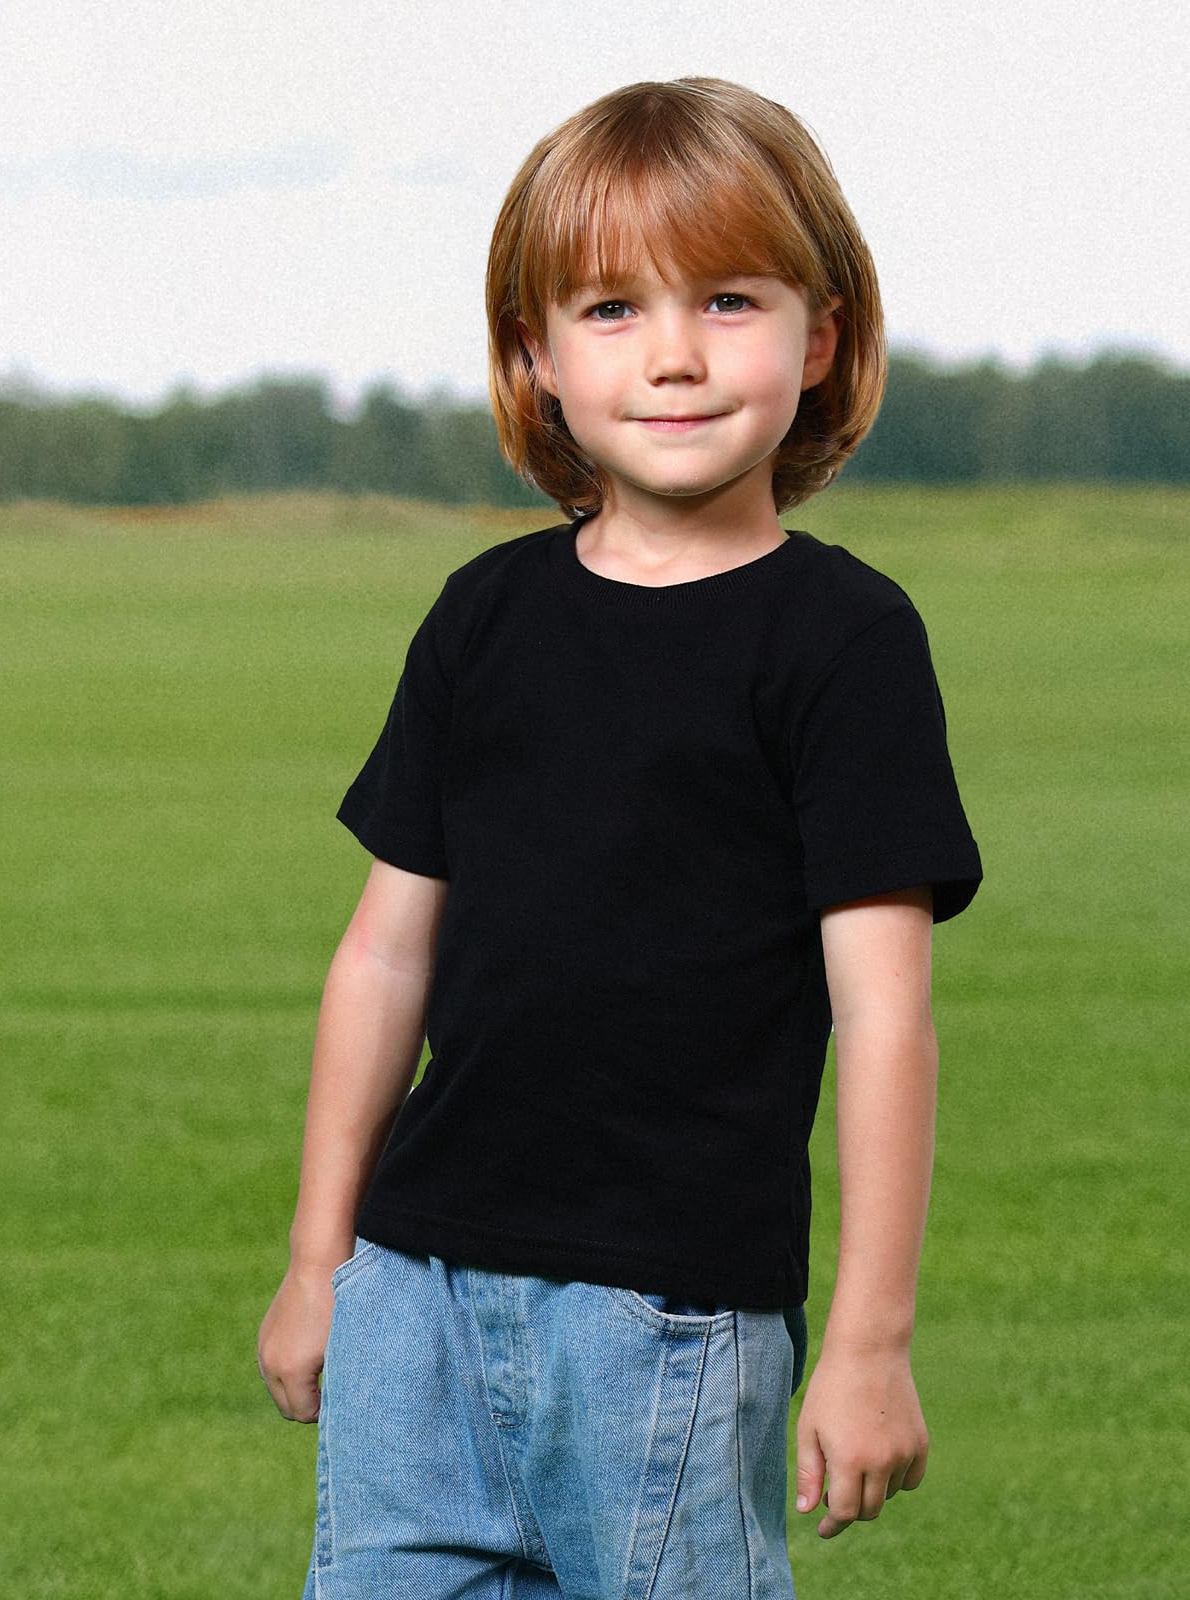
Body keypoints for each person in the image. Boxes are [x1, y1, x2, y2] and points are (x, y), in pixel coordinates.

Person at [258, 76, 982, 1600]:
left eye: (728, 299)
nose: (672, 355)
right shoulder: (483, 617)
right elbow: (385, 957)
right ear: (533, 353)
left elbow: (885, 1014)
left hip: (668, 1321)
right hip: (415, 1297)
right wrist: (324, 1257)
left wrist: (869, 1341)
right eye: (609, 309)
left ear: (823, 335)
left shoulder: (844, 642)